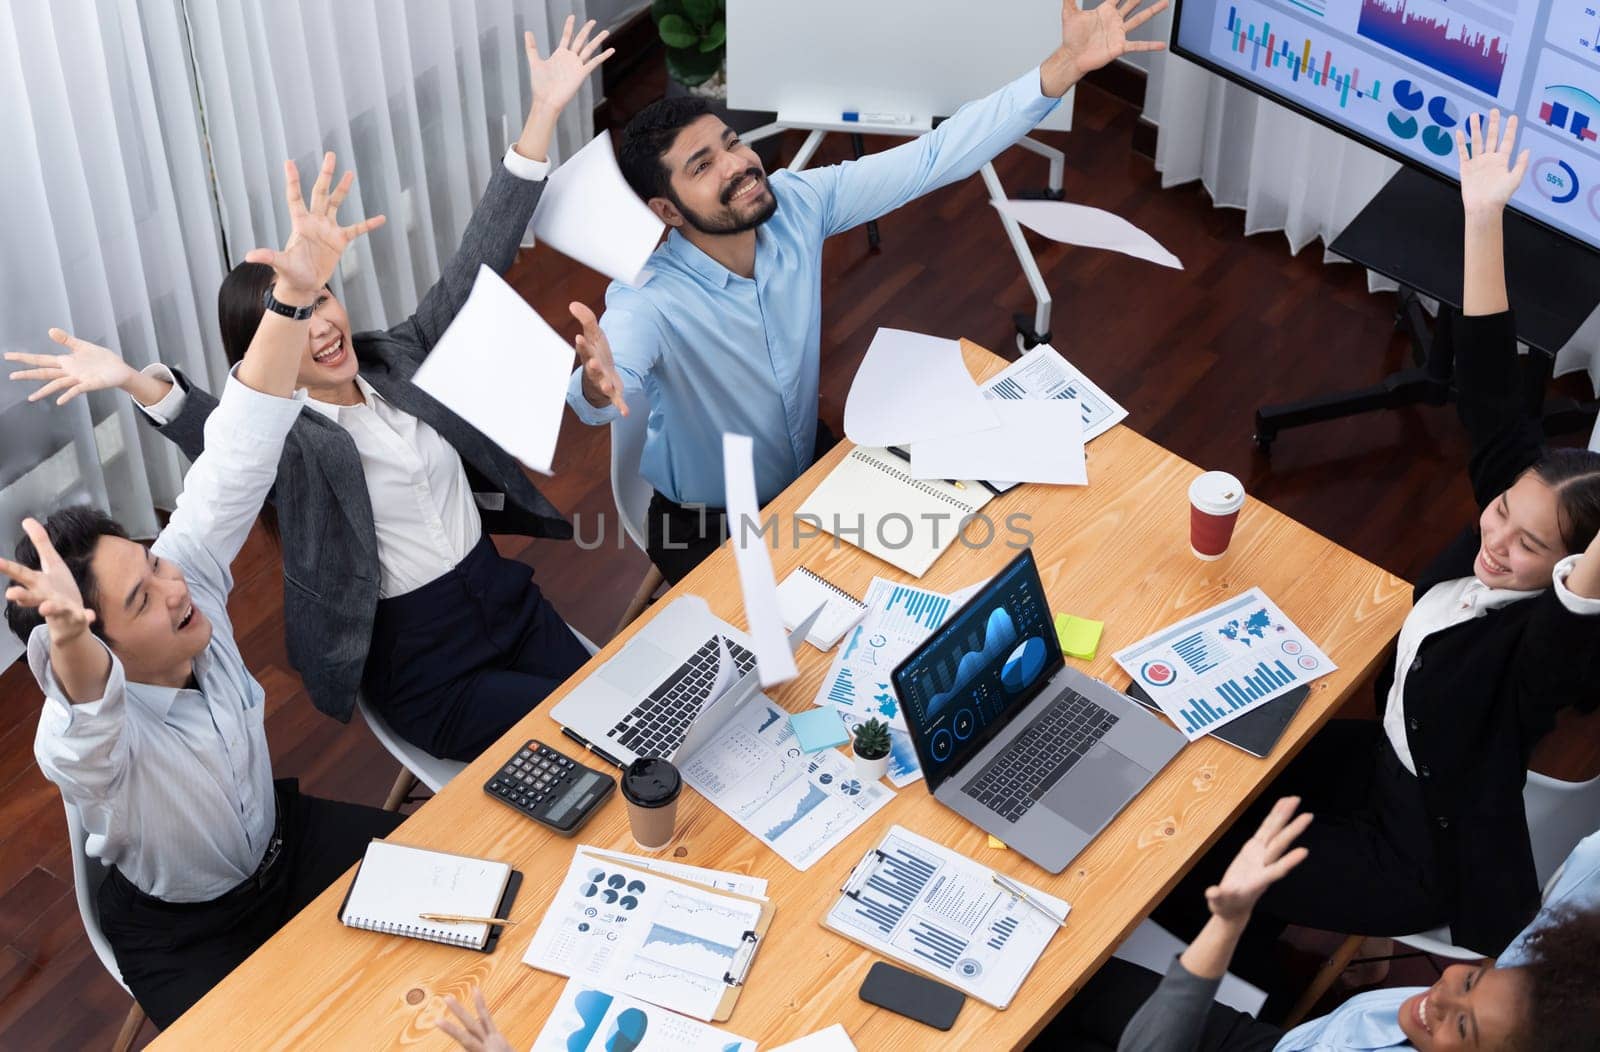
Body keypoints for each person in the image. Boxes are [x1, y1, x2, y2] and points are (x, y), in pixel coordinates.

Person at [7, 20, 613, 762]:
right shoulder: (285, 441)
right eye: (296, 317)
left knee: (617, 718)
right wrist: (136, 381)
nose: (322, 323)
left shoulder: (397, 355)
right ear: (266, 348)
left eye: (323, 298)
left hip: (506, 602)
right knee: (585, 735)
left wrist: (543, 113)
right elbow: (221, 434)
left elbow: (478, 258)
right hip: (425, 666)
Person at [1152, 109, 1600, 972]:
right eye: (1502, 510)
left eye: (1531, 547)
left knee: (1193, 852)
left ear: (1571, 571)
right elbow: (1489, 382)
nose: (1498, 540)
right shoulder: (1513, 503)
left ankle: (1237, 980)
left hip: (1421, 852)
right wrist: (1481, 216)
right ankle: (1234, 945)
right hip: (1384, 767)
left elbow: (1576, 612)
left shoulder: (1546, 650)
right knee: (1207, 768)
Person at [561, 0, 1169, 583]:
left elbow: (937, 156)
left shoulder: (799, 204)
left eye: (731, 142)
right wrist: (597, 382)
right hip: (707, 523)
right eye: (702, 166)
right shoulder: (648, 298)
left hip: (806, 470)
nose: (738, 165)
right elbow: (606, 381)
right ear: (666, 210)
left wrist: (1063, 66)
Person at [1, 156, 401, 1029]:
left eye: (153, 566)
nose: (176, 586)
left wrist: (293, 299)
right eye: (141, 600)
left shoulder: (186, 578)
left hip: (284, 854)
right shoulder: (92, 747)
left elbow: (240, 446)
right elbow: (80, 721)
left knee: (466, 896)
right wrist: (70, 637)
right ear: (97, 650)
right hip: (188, 933)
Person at [1043, 798, 1600, 1051]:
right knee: (1067, 979)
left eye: (1463, 1029)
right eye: (1472, 981)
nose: (1443, 997)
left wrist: (1228, 923)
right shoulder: (1538, 1008)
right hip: (1272, 1043)